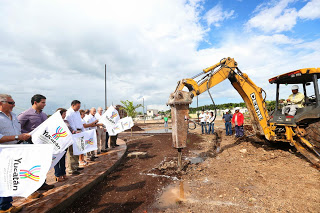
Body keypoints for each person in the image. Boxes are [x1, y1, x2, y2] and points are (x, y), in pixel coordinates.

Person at [0, 94, 31, 213]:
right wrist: (18, 136)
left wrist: (24, 135)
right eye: (11, 103)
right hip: (4, 152)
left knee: (12, 176)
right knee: (4, 178)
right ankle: (3, 207)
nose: (14, 105)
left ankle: (8, 204)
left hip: (17, 149)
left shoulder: (13, 115)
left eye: (13, 103)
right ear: (1, 103)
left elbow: (18, 131)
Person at [17, 94, 54, 191]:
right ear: (35, 102)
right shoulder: (25, 114)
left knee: (42, 164)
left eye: (45, 102)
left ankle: (42, 183)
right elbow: (17, 129)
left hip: (42, 144)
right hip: (30, 144)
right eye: (43, 102)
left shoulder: (44, 115)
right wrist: (26, 134)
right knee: (32, 166)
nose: (44, 104)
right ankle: (32, 187)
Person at [65, 100, 85, 175]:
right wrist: (74, 132)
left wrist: (83, 131)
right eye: (78, 106)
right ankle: (72, 169)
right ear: (73, 105)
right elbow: (70, 124)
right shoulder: (69, 113)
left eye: (79, 106)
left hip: (79, 131)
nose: (79, 108)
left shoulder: (77, 113)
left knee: (78, 150)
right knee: (72, 151)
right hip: (73, 133)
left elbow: (80, 123)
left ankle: (76, 166)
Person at [54, 108, 70, 182]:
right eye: (64, 114)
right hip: (57, 143)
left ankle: (63, 173)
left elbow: (69, 129)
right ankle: (57, 174)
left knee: (63, 158)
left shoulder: (66, 121)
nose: (65, 115)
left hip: (64, 142)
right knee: (57, 159)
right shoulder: (55, 122)